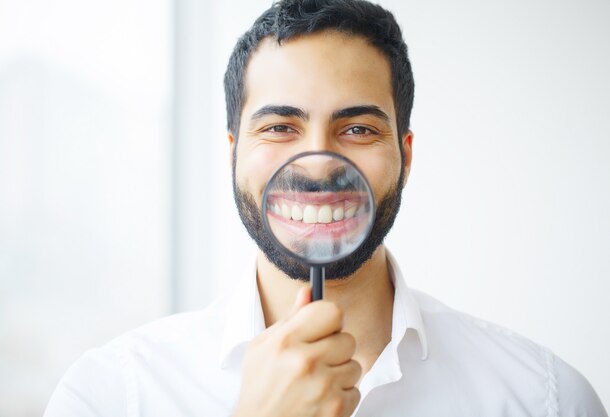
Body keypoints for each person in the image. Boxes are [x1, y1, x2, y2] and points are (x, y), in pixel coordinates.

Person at [44, 0, 607, 416]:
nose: (317, 164)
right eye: (281, 126)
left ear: (404, 156)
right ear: (233, 153)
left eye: (357, 128)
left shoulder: (546, 398)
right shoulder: (110, 395)